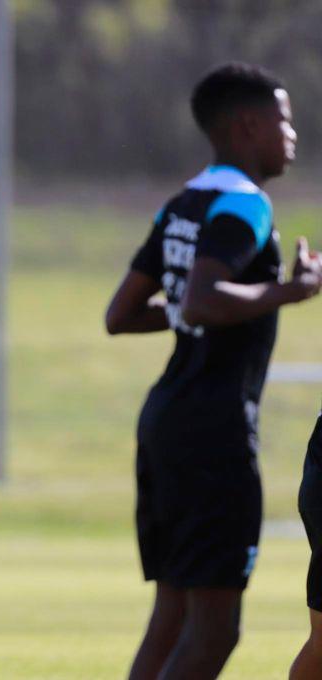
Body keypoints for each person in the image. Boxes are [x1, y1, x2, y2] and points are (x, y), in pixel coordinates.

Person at [105, 63, 321, 680]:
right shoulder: (245, 205)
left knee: (171, 618)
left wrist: (206, 302)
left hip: (167, 424)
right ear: (248, 126)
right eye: (283, 119)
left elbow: (122, 314)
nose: (292, 133)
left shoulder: (183, 202)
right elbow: (202, 299)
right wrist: (293, 290)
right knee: (215, 632)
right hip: (215, 432)